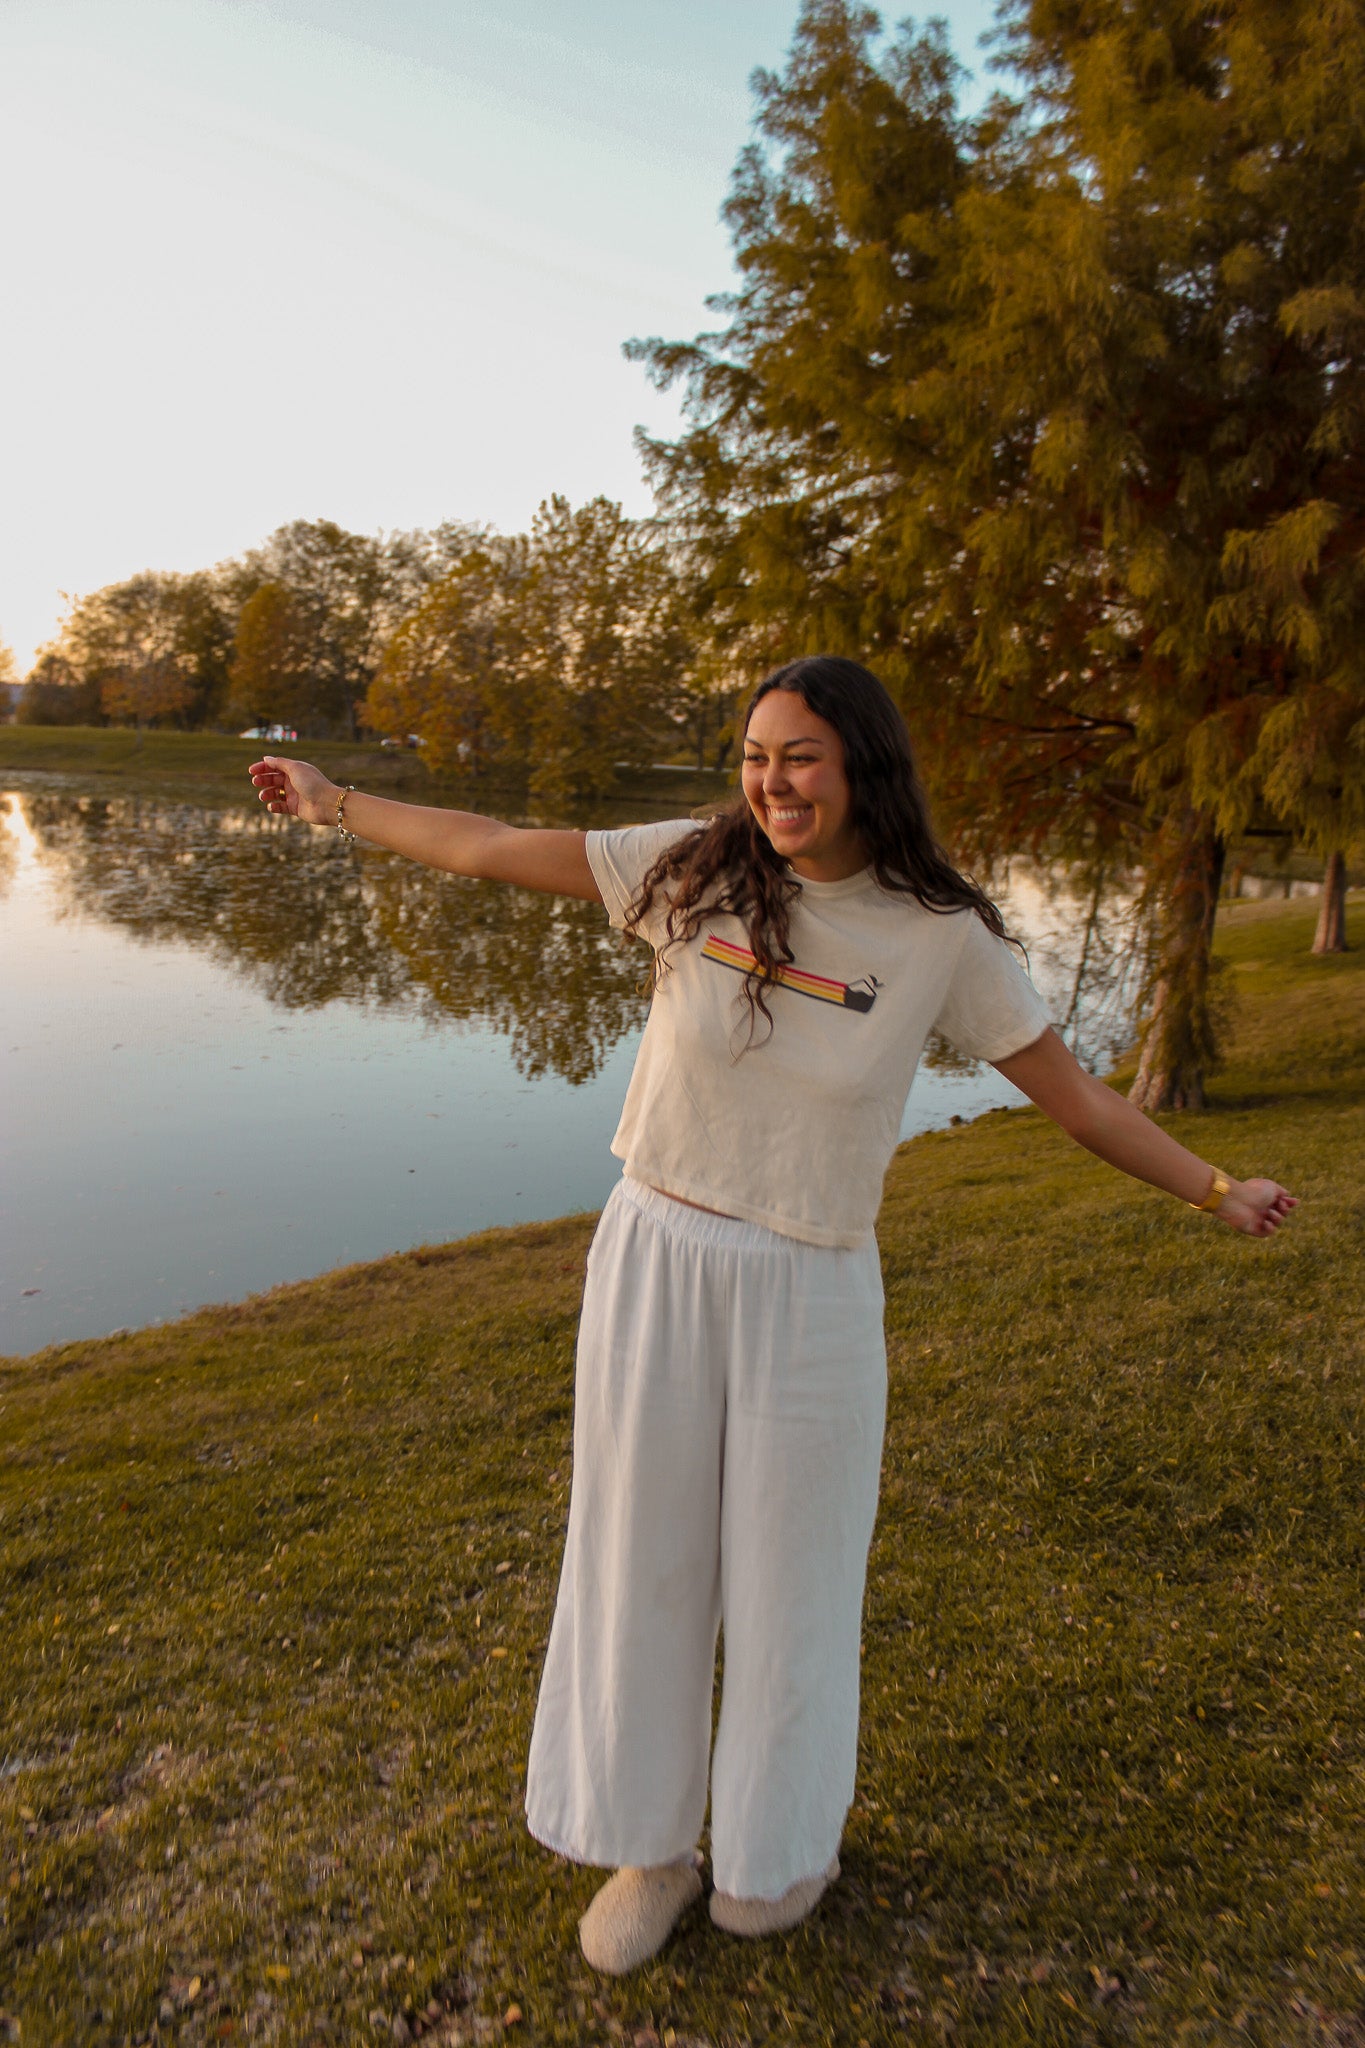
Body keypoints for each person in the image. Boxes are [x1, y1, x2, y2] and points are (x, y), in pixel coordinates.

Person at [248, 655, 1296, 1976]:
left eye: (799, 755)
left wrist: (1215, 1189)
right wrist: (337, 803)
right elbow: (488, 844)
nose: (772, 781)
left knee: (794, 1580)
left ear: (862, 763)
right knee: (641, 1555)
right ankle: (649, 1848)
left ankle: (779, 1849)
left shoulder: (938, 934)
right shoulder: (690, 869)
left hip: (810, 1284)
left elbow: (1075, 1097)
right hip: (656, 1255)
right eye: (755, 754)